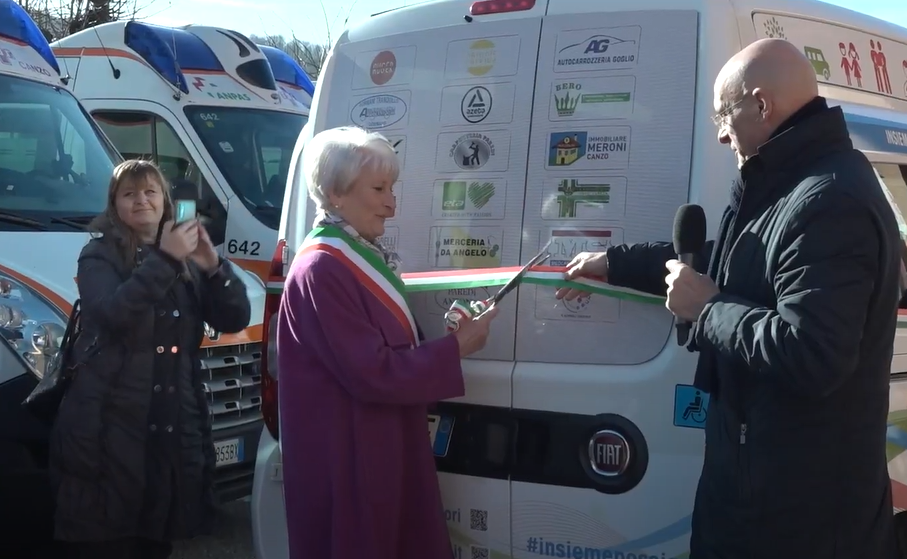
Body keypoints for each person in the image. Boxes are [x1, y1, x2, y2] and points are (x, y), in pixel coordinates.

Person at [557, 38, 901, 559]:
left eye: (724, 114)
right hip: (757, 499)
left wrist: (708, 309)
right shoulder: (790, 184)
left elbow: (814, 352)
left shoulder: (832, 199)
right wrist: (615, 263)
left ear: (761, 105)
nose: (720, 133)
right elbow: (732, 262)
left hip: (801, 521)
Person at [277, 126, 499, 559]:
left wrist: (448, 338)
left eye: (391, 189)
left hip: (376, 447)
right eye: (379, 189)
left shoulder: (349, 257)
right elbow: (373, 372)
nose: (392, 204)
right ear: (335, 194)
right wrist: (456, 348)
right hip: (352, 459)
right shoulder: (323, 267)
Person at [50, 159, 252, 559]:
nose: (141, 200)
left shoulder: (186, 258)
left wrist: (214, 267)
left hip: (169, 426)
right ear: (115, 205)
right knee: (110, 538)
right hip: (109, 427)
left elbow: (234, 318)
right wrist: (167, 260)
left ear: (165, 202)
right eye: (129, 194)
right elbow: (112, 315)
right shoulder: (98, 256)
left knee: (157, 537)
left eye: (150, 192)